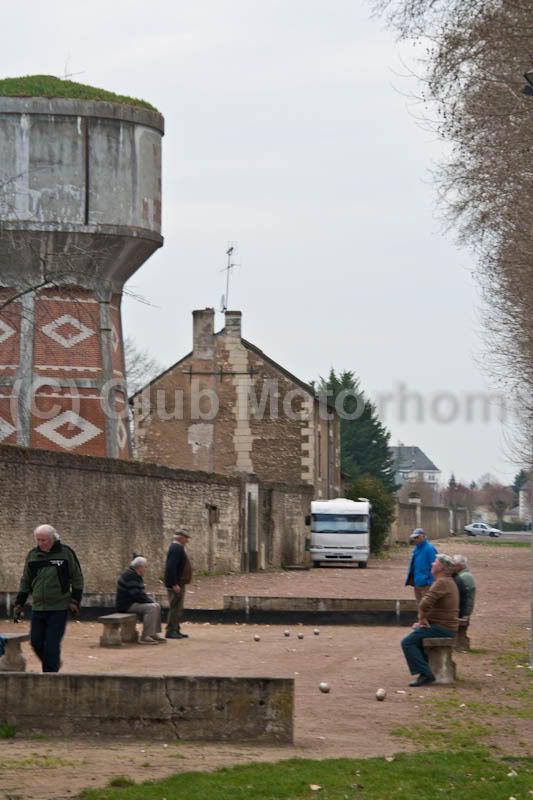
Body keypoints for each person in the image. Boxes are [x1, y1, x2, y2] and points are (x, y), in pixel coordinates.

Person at [13, 524, 83, 672]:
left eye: (43, 540)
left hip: (58, 608)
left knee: (51, 646)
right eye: (38, 540)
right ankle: (53, 665)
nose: (40, 543)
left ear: (53, 539)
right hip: (38, 607)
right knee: (36, 642)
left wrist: (75, 600)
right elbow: (26, 580)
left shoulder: (66, 553)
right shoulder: (32, 555)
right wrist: (19, 603)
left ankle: (49, 676)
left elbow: (77, 578)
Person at [401, 553, 459, 687]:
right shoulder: (447, 581)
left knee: (407, 642)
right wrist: (425, 620)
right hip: (444, 626)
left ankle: (425, 674)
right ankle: (425, 671)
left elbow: (424, 603)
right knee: (417, 637)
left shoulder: (442, 582)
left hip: (443, 628)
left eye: (435, 562)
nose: (432, 564)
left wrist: (422, 619)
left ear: (441, 567)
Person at [115, 556, 166, 644]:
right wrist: (149, 601)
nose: (146, 569)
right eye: (145, 567)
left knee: (156, 605)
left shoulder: (136, 575)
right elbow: (136, 595)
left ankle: (153, 633)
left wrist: (150, 601)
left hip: (132, 603)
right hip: (126, 605)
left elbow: (140, 594)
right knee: (152, 607)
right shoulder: (131, 576)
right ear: (140, 567)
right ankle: (145, 636)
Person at [164, 529, 192, 640]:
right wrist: (174, 583)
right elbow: (171, 567)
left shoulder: (176, 548)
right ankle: (171, 630)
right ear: (180, 537)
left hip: (178, 582)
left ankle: (175, 629)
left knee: (178, 607)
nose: (187, 541)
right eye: (185, 538)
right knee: (175, 607)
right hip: (177, 582)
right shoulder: (177, 548)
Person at [405, 528, 438, 604]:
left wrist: (429, 582)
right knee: (420, 607)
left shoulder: (430, 549)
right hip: (417, 583)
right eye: (414, 537)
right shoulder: (416, 549)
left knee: (427, 607)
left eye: (417, 537)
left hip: (426, 585)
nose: (415, 539)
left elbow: (435, 566)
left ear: (423, 536)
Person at [452, 554, 476, 620]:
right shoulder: (466, 575)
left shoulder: (463, 577)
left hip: (463, 611)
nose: (451, 568)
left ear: (460, 566)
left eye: (453, 566)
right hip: (465, 609)